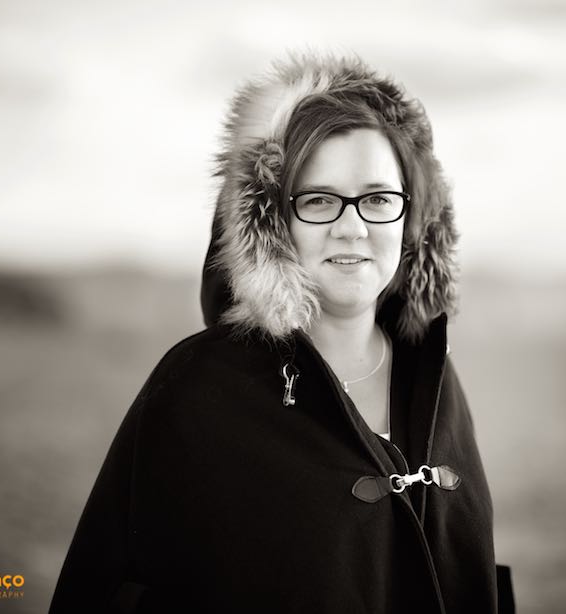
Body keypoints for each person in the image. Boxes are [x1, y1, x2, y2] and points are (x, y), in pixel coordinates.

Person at [50, 53, 513, 614]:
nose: (352, 226)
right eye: (318, 200)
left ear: (412, 219)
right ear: (272, 226)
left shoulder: (433, 377)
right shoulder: (196, 390)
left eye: (377, 199)